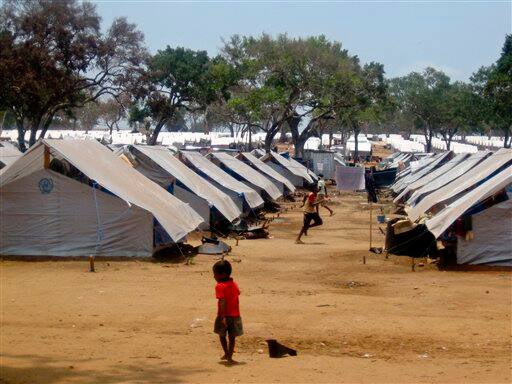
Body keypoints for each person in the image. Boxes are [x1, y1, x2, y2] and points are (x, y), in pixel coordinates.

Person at [213, 260, 243, 364]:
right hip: (235, 315)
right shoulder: (234, 284)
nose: (214, 277)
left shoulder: (220, 286)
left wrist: (223, 316)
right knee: (232, 337)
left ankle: (226, 353)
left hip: (224, 315)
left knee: (222, 335)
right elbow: (238, 294)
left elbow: (222, 302)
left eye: (215, 274)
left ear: (222, 274)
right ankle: (230, 356)